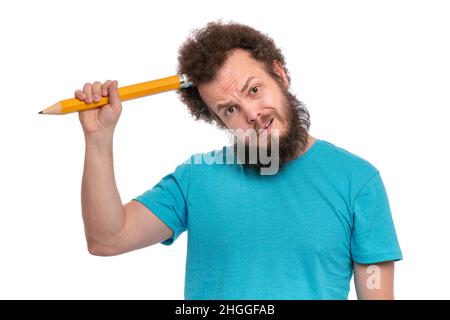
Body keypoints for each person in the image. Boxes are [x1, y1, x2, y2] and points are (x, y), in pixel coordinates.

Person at [76, 21, 402, 300]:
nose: (252, 115)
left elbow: (376, 287)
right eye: (229, 110)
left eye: (255, 89)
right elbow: (108, 238)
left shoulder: (357, 181)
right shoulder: (196, 179)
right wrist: (98, 138)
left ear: (280, 75)